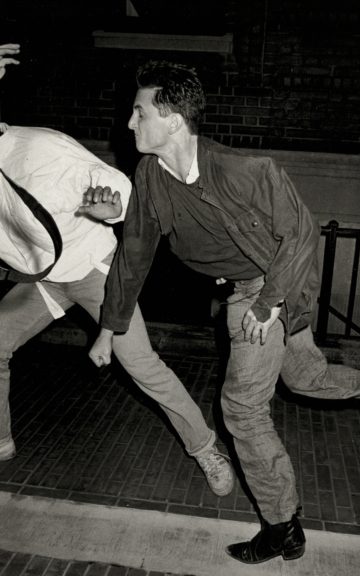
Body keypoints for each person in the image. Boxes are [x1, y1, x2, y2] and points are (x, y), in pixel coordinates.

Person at [87, 60, 360, 564]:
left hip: (273, 282)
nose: (129, 123)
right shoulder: (150, 176)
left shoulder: (245, 170)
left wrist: (266, 305)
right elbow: (134, 253)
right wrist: (111, 326)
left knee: (241, 408)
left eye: (139, 112)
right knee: (307, 378)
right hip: (251, 284)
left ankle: (282, 526)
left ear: (173, 120)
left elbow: (300, 234)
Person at [0, 123, 235, 498]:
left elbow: (112, 183)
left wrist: (113, 208)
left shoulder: (37, 147)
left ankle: (206, 449)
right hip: (43, 278)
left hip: (92, 265)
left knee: (141, 364)